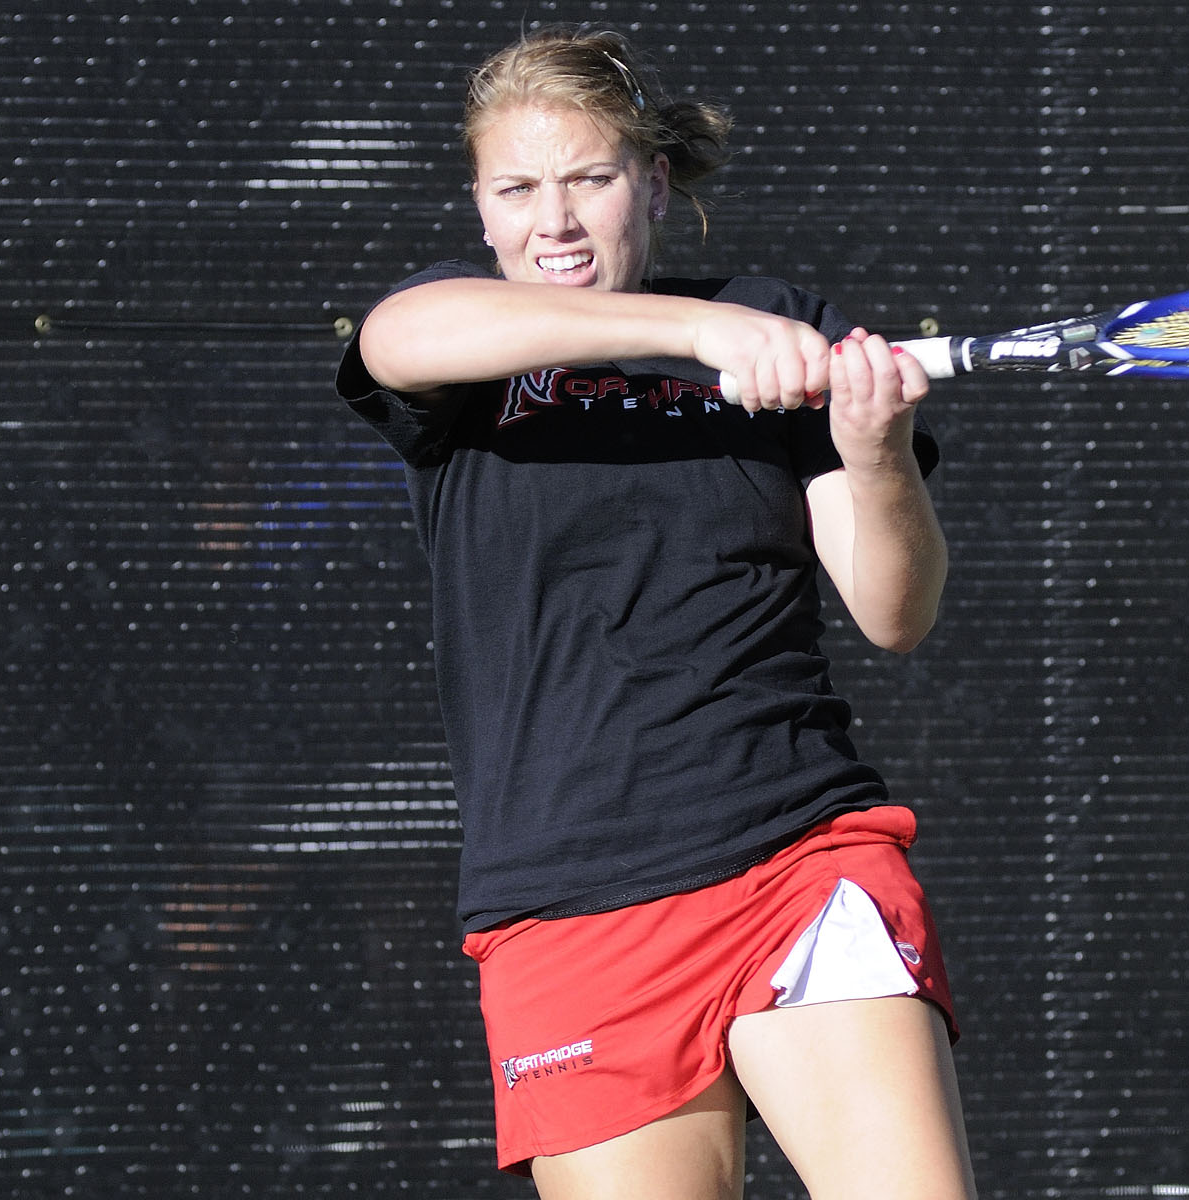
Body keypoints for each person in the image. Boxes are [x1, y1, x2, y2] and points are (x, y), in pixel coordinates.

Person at [334, 25, 975, 1200]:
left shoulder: (782, 318)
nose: (555, 221)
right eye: (517, 189)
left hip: (797, 857)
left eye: (590, 179)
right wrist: (696, 333)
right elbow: (395, 339)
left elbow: (896, 612)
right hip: (567, 908)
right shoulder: (463, 343)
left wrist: (875, 450)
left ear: (655, 183)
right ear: (480, 208)